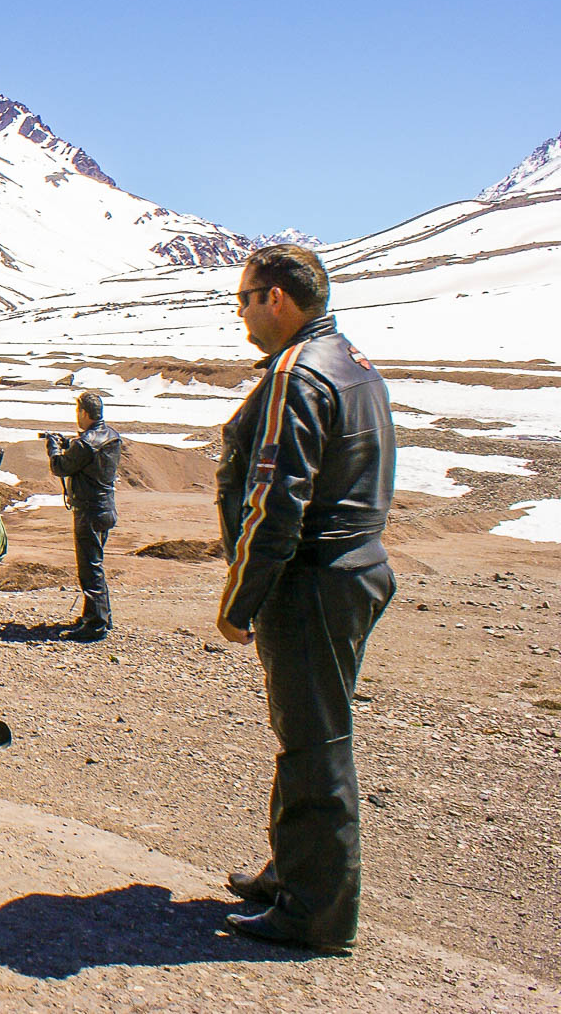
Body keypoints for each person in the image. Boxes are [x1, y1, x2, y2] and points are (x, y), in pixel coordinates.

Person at [216, 244, 396, 954]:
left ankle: (315, 911)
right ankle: (291, 872)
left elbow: (276, 502)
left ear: (277, 299)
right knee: (309, 729)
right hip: (355, 567)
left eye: (245, 299)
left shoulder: (298, 373)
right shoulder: (352, 360)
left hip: (314, 578)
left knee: (315, 741)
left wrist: (240, 597)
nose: (241, 314)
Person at [45, 391, 123, 641]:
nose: (77, 415)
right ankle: (99, 616)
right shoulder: (111, 436)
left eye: (78, 411)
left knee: (89, 568)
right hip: (106, 508)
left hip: (88, 511)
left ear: (85, 413)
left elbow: (61, 467)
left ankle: (95, 625)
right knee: (95, 564)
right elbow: (87, 459)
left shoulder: (85, 443)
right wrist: (71, 445)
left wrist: (54, 450)